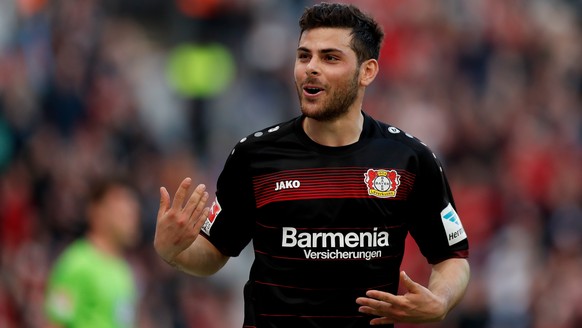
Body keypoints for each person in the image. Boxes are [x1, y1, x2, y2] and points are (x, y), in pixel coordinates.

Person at [154, 2, 470, 327]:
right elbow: (212, 253)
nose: (311, 67)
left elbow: (452, 257)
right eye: (304, 56)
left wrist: (441, 300)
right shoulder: (254, 156)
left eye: (330, 57)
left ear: (368, 71)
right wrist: (174, 253)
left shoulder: (409, 160)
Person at [44, 177, 141, 328]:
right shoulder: (76, 263)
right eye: (121, 210)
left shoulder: (124, 270)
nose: (130, 218)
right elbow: (55, 323)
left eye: (132, 212)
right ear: (96, 212)